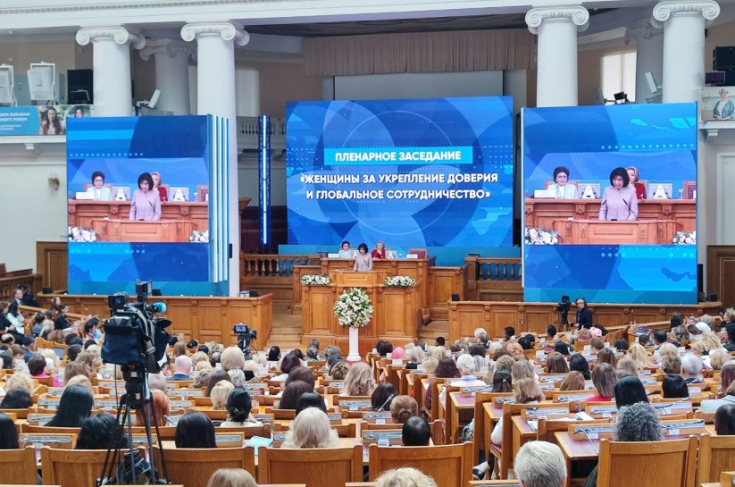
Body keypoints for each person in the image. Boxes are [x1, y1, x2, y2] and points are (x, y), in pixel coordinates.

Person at [491, 378, 543, 446]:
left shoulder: (511, 411)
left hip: (516, 448)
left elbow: (495, 439)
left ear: (517, 393)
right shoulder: (549, 408)